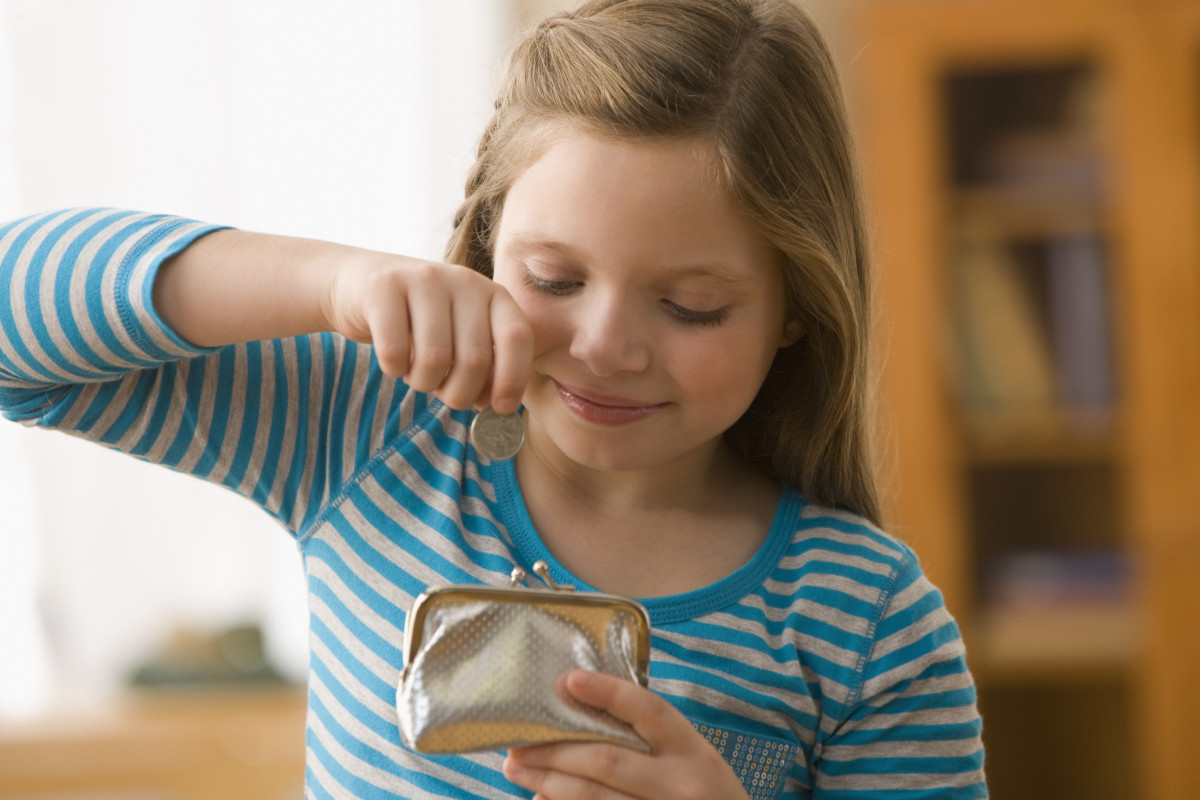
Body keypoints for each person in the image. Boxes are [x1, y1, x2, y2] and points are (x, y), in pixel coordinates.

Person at [0, 0, 987, 797]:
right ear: (484, 244)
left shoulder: (867, 620)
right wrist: (326, 282)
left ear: (796, 309)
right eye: (554, 279)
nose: (603, 346)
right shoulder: (372, 434)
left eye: (692, 305)